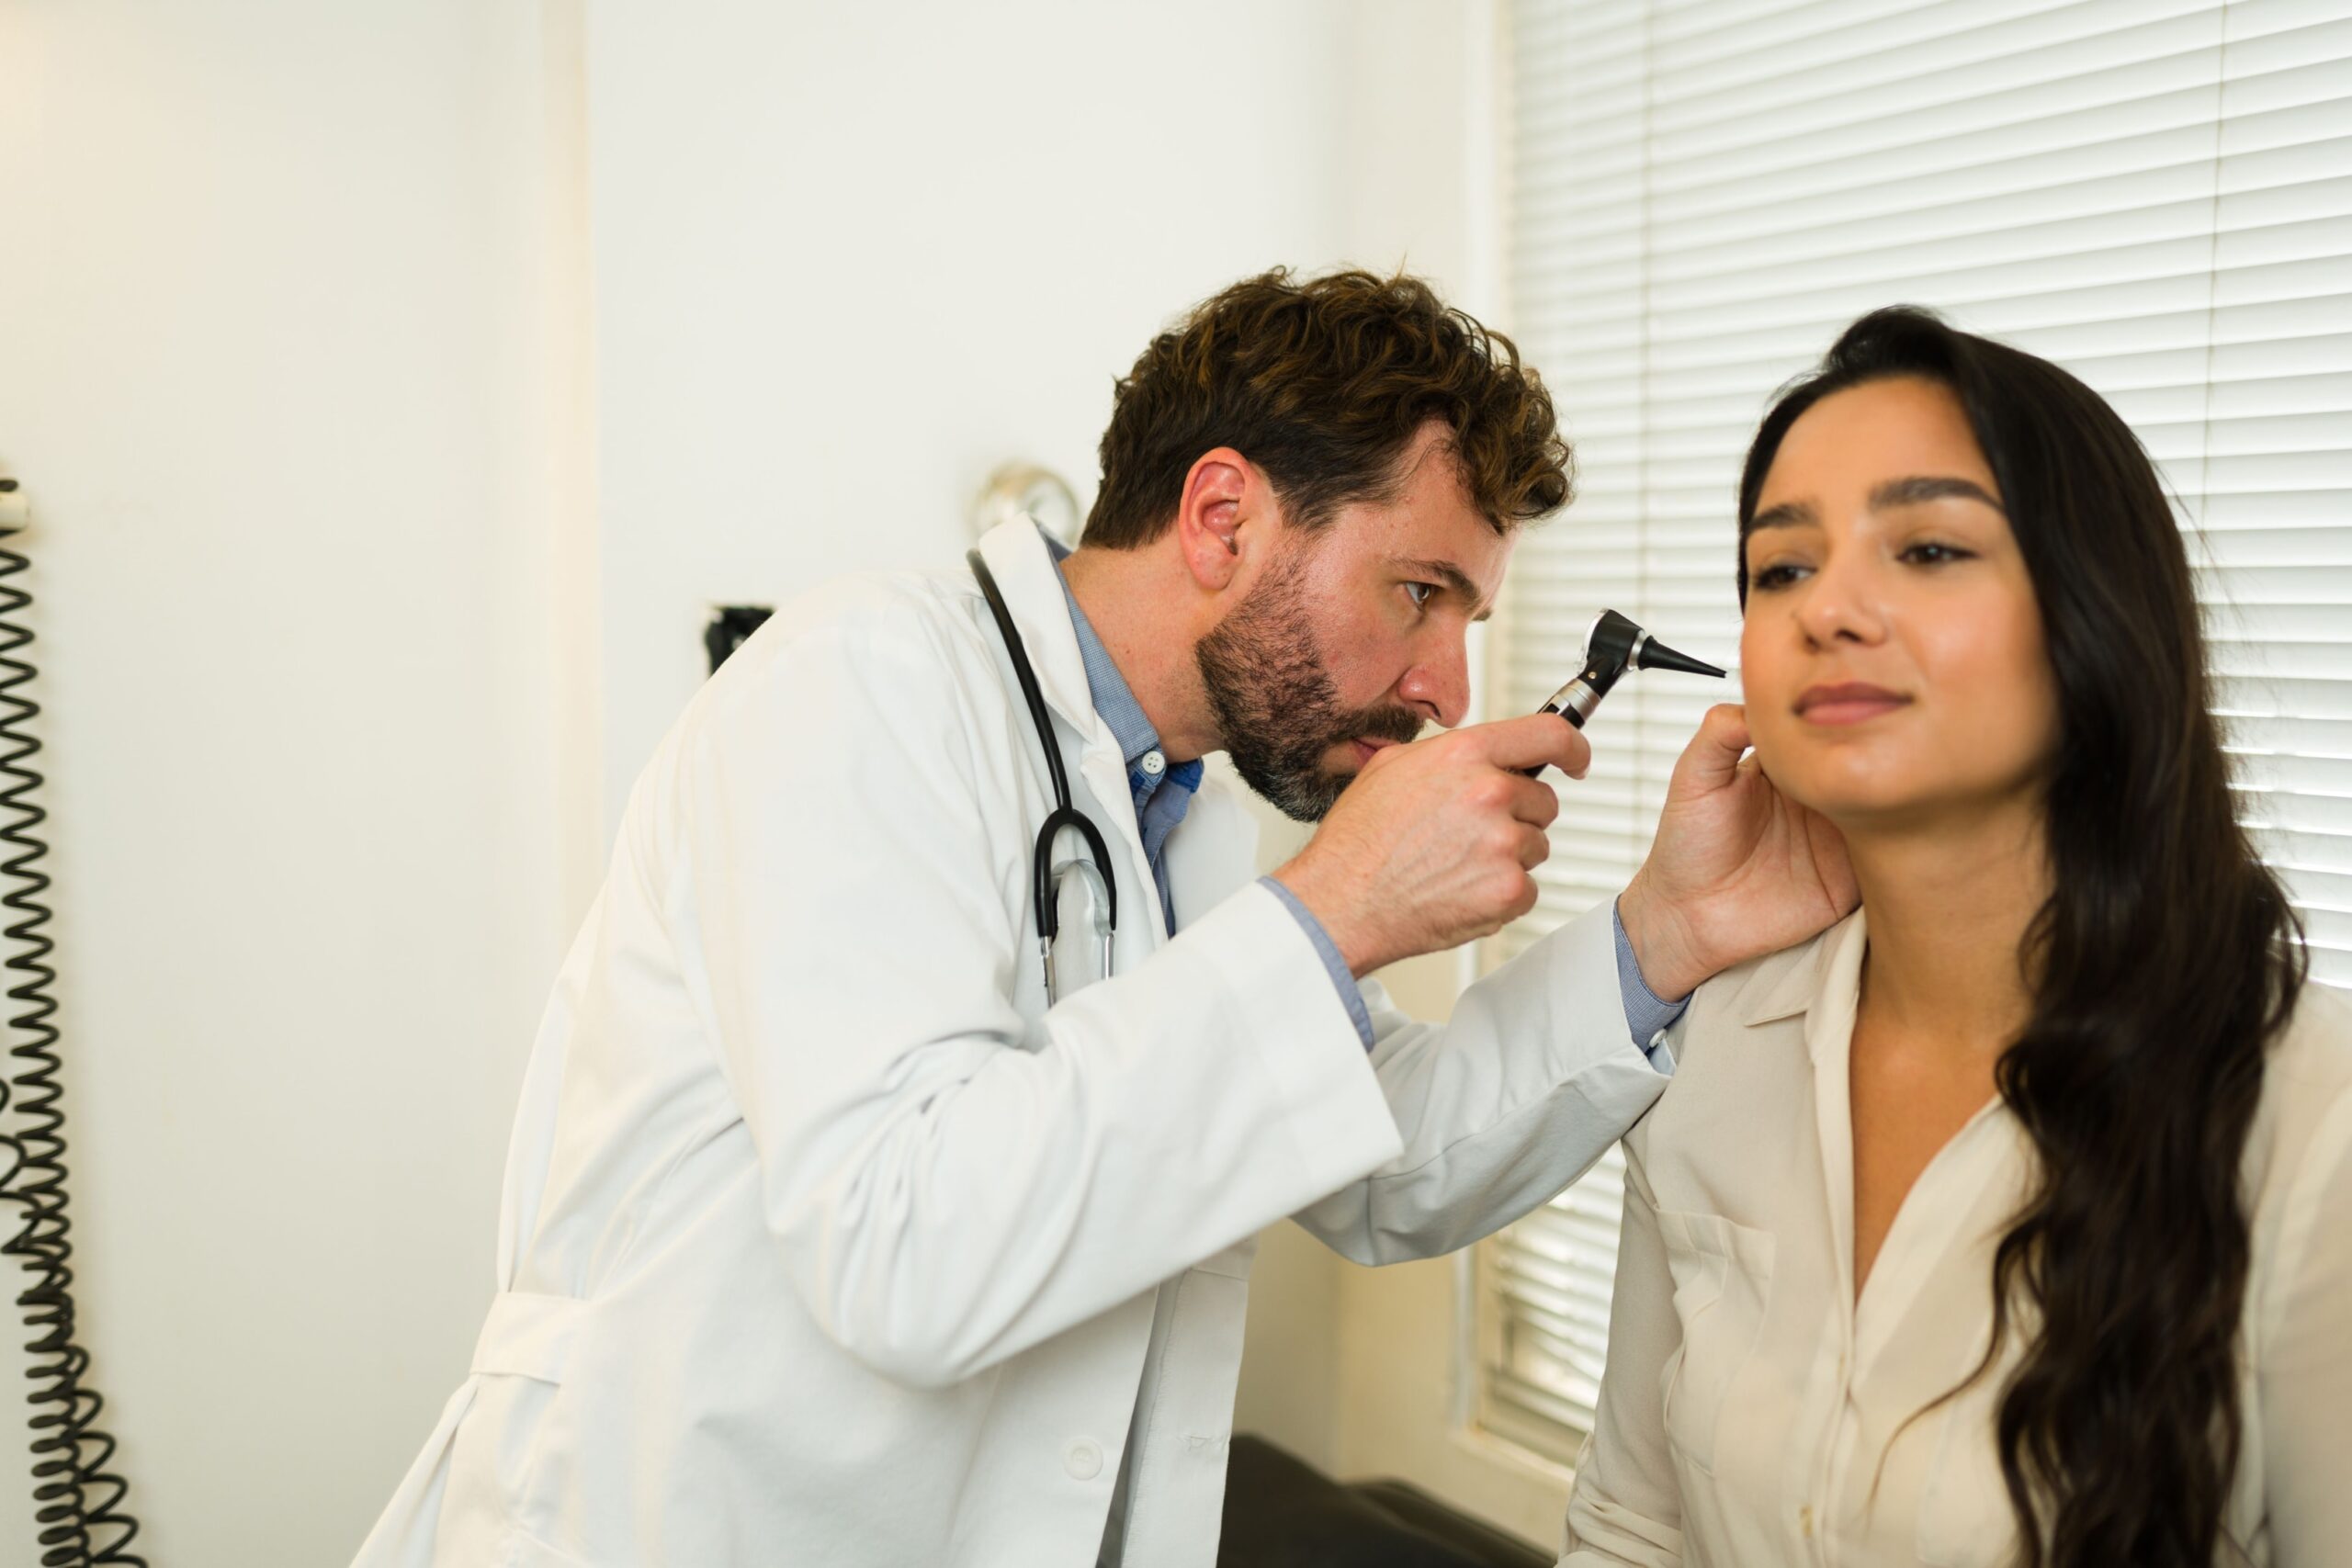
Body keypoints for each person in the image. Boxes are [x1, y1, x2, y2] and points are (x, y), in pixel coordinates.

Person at [353, 269, 1855, 1568]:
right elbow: (904, 1245)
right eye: (1418, 593)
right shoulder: (857, 689)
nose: (1448, 688)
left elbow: (1388, 1162)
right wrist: (1335, 908)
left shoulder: (1177, 808)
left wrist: (1668, 930)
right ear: (1221, 516)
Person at [1561, 308, 2352, 1567]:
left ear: (2096, 618)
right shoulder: (1716, 1041)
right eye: (1782, 568)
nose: (1831, 609)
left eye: (1927, 547)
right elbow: (1631, 1527)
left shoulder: (2315, 1122)